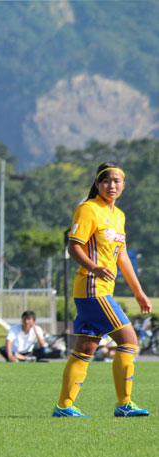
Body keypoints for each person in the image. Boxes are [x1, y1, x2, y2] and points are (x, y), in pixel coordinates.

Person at [53, 162, 152, 418]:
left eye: (117, 181)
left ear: (124, 185)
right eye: (106, 181)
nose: (112, 185)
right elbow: (73, 246)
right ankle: (124, 404)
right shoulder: (88, 209)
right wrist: (94, 267)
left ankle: (64, 407)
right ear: (97, 184)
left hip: (100, 289)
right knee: (129, 340)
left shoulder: (119, 216)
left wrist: (138, 292)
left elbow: (122, 257)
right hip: (92, 288)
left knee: (85, 348)